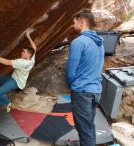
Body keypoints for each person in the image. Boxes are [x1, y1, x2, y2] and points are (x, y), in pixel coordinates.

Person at [66, 9, 104, 146]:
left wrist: (72, 84)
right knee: (88, 125)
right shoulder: (99, 42)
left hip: (82, 92)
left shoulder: (78, 42)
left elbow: (70, 72)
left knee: (84, 129)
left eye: (74, 22)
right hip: (96, 90)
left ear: (81, 22)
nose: (73, 25)